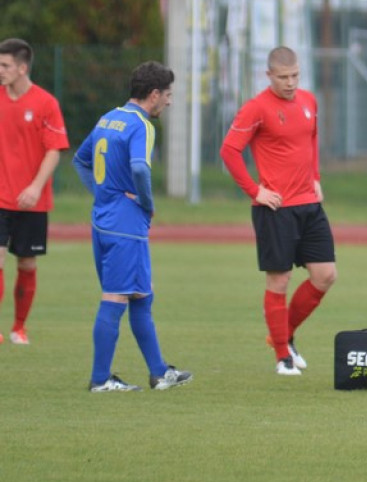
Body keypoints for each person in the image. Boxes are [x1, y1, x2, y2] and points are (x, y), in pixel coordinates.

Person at [72, 61, 192, 392]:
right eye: (167, 95)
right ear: (154, 94)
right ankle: (100, 380)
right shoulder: (141, 124)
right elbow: (140, 168)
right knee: (114, 298)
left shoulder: (108, 118)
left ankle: (158, 373)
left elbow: (80, 160)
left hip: (105, 221)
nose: (168, 101)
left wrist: (104, 194)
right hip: (125, 225)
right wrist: (147, 204)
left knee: (141, 295)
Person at [220, 46, 337, 376]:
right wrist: (256, 190)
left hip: (309, 205)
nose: (290, 83)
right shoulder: (256, 108)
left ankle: (281, 335)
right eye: (283, 77)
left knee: (326, 275)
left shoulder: (309, 101)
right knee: (280, 279)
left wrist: (315, 177)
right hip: (276, 208)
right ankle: (283, 356)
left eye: (295, 76)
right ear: (269, 75)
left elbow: (311, 139)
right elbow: (229, 151)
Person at [0, 38, 70, 346]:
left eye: (5, 65)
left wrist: (34, 187)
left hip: (33, 201)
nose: (0, 70)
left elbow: (54, 151)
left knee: (26, 264)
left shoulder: (46, 103)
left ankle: (19, 327)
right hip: (1, 197)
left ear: (22, 67)